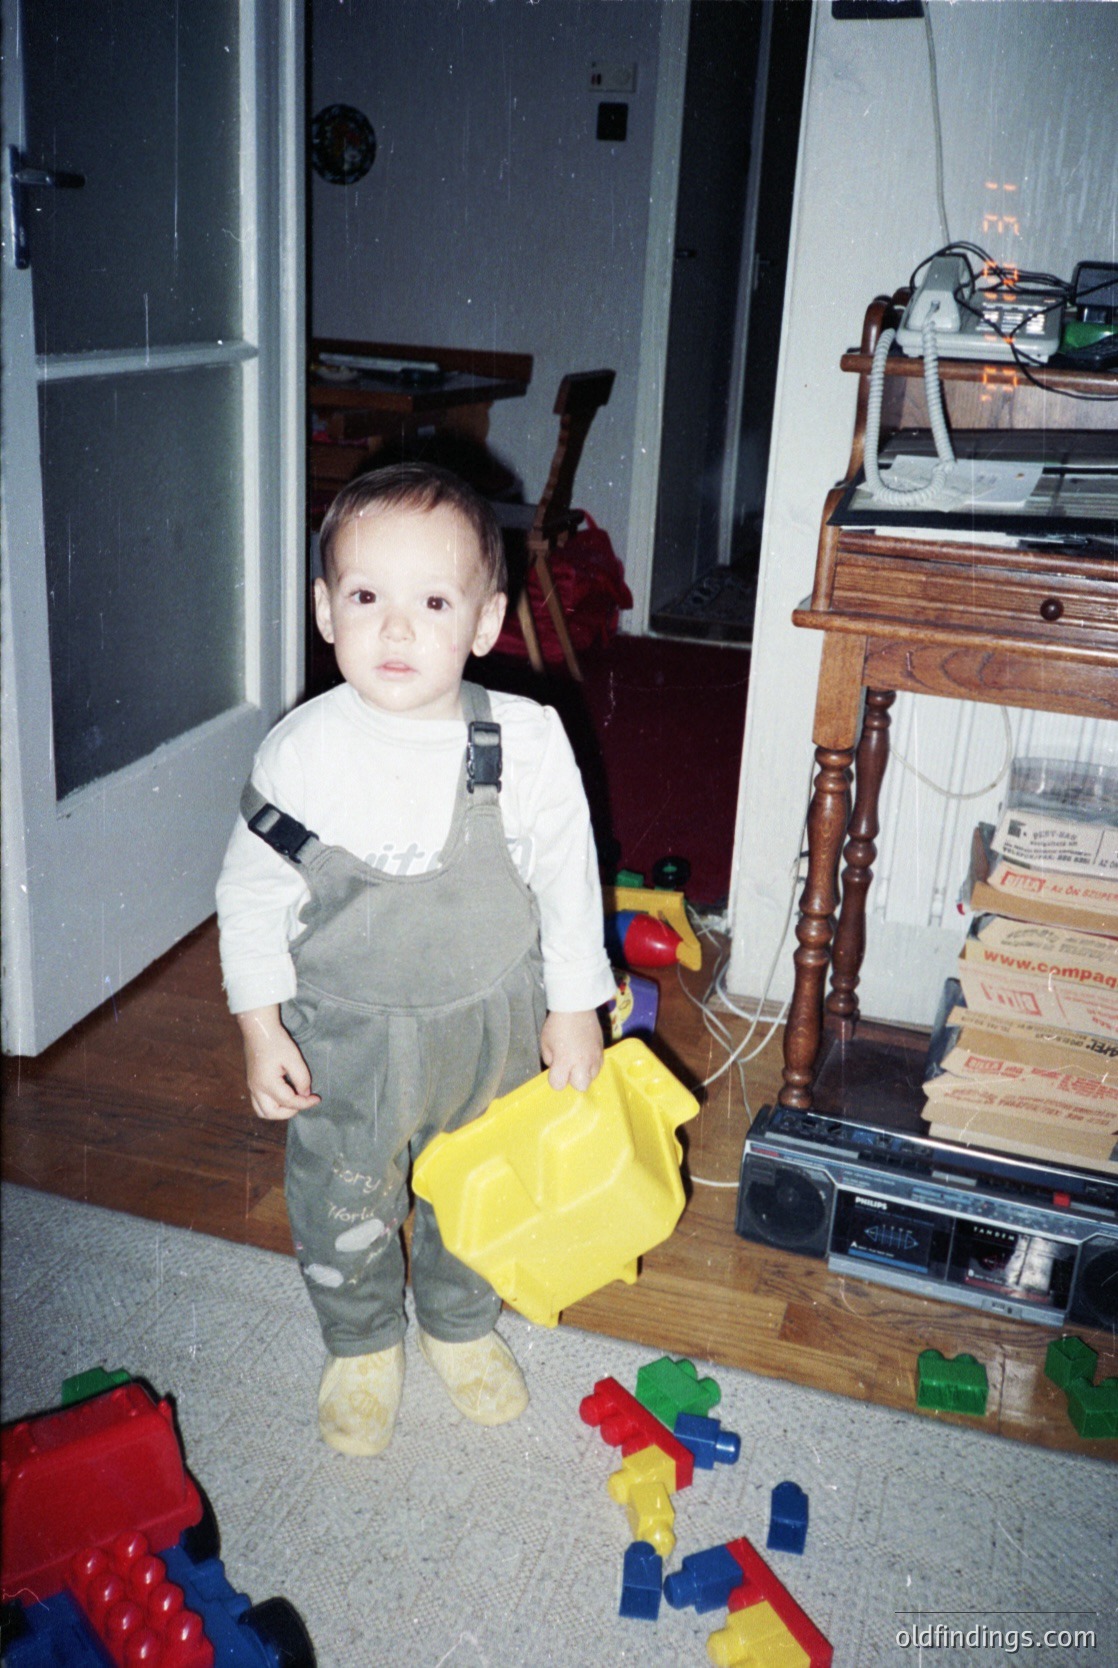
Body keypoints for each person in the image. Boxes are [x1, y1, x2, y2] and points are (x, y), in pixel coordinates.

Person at [216, 462, 614, 1458]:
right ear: (324, 609)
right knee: (343, 1195)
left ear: (484, 622)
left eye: (431, 602)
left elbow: (569, 877)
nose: (395, 629)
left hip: (488, 1026)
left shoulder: (521, 738)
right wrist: (259, 1023)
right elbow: (254, 895)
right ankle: (358, 1341)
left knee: (480, 1186)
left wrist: (574, 1005)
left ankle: (459, 1321)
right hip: (345, 1040)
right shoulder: (298, 753)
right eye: (365, 597)